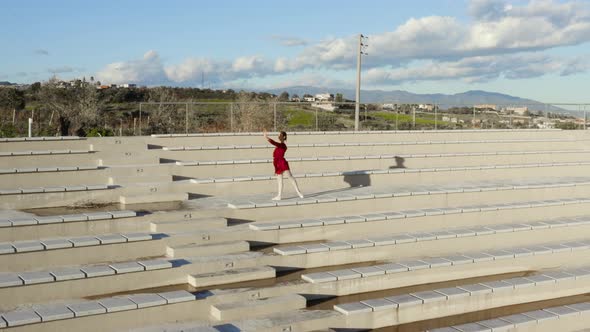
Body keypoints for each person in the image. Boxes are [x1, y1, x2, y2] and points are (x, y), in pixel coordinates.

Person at [264, 130, 304, 200]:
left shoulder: (283, 145)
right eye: (279, 135)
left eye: (280, 135)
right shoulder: (280, 145)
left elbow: (275, 143)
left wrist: (267, 137)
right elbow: (277, 145)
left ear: (284, 137)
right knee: (279, 180)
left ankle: (298, 192)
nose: (279, 136)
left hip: (281, 162)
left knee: (290, 177)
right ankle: (279, 196)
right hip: (277, 163)